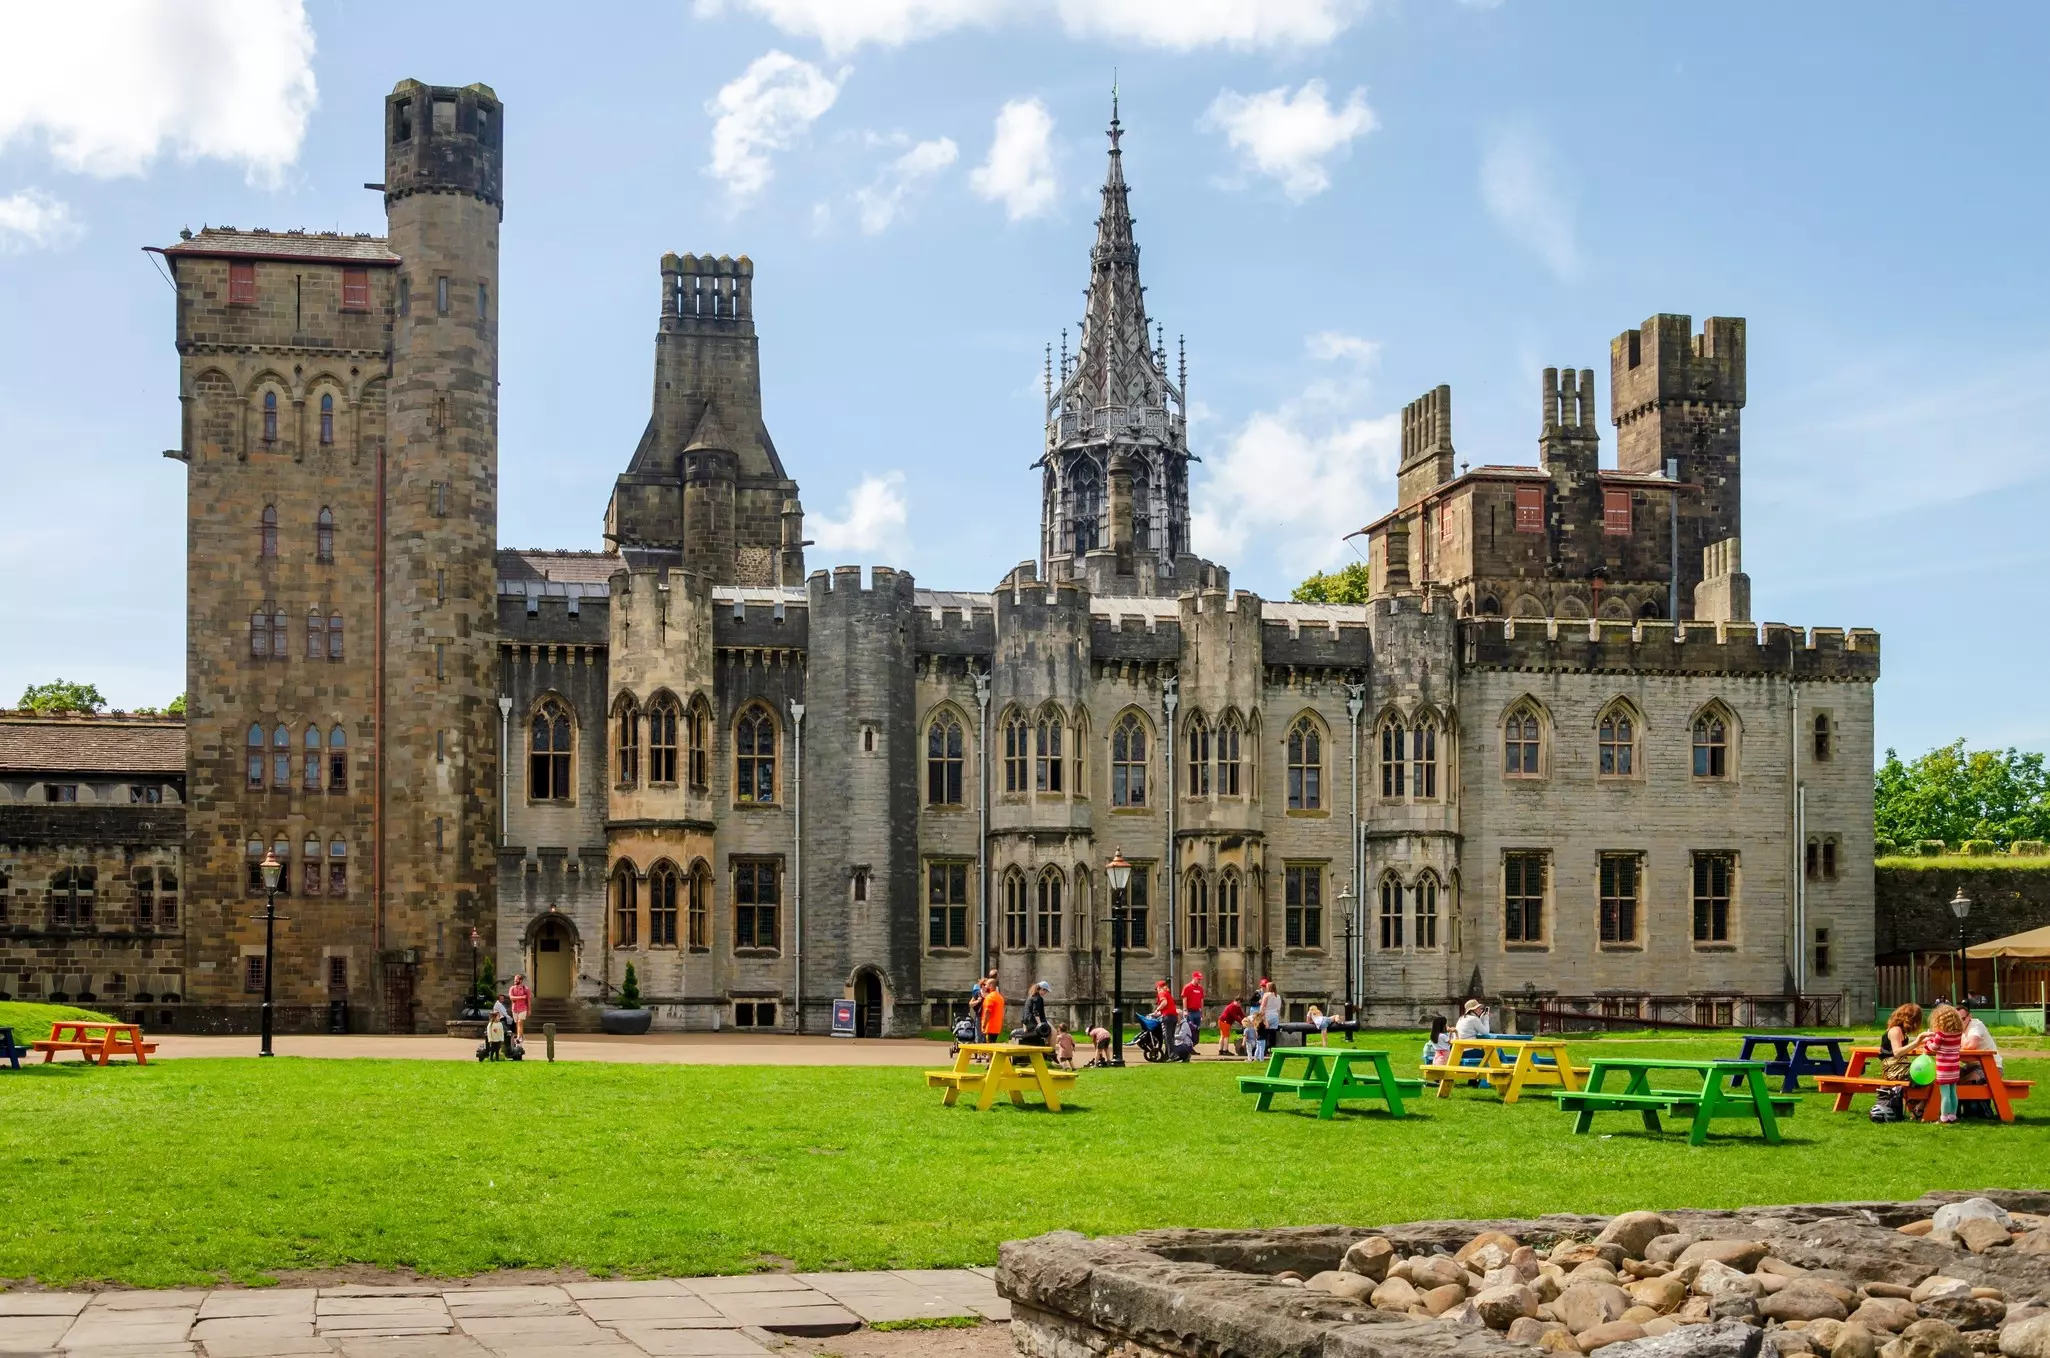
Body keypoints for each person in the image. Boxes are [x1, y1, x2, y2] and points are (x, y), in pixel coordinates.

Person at [1873, 1002, 1922, 1123]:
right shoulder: (1896, 1030)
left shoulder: (1900, 1030)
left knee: (1927, 1078)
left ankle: (1918, 1109)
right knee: (1932, 1079)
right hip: (1894, 1069)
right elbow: (1897, 1052)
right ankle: (1919, 1110)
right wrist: (1917, 1041)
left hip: (1897, 1068)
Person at [1922, 1005, 1966, 1124]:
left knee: (1944, 1094)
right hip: (1954, 1067)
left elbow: (1933, 1048)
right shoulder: (1958, 1034)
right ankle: (1952, 1115)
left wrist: (1927, 1042)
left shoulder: (1940, 1035)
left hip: (1943, 1068)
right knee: (1953, 1093)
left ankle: (1943, 1117)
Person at [1020, 981, 1053, 1046]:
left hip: (1028, 1022)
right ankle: (1051, 1050)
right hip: (1033, 1022)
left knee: (1049, 1030)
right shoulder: (1038, 998)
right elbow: (1036, 1012)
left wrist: (1024, 1025)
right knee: (1053, 1032)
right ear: (1041, 989)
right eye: (1045, 991)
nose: (1046, 993)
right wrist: (1040, 1024)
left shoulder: (1030, 996)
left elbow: (1025, 1012)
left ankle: (1047, 1046)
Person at [1256, 979, 1282, 1060]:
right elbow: (1278, 1008)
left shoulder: (1266, 995)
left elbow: (1263, 1008)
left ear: (1269, 988)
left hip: (1267, 1015)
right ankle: (1272, 1052)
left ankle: (1263, 1052)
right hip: (1275, 1016)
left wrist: (1262, 1018)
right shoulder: (1278, 996)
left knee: (1263, 1034)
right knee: (1272, 1035)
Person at [980, 979, 1007, 1045]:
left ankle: (990, 1056)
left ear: (991, 985)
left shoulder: (990, 997)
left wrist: (984, 1025)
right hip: (997, 1027)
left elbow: (988, 1012)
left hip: (989, 1027)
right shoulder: (1000, 997)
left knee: (989, 1046)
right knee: (993, 1044)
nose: (985, 986)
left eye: (986, 985)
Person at [1181, 971, 1206, 1039]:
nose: (1199, 980)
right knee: (1190, 1028)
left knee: (1197, 1029)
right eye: (1198, 979)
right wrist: (1185, 1010)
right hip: (1189, 1012)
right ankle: (1189, 1045)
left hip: (1197, 1011)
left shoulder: (1200, 988)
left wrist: (1202, 1012)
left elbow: (1201, 1000)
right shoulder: (1187, 987)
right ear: (1194, 978)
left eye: (1200, 979)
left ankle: (1195, 1042)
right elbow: (1184, 999)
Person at [507, 973, 532, 1039]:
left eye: (516, 980)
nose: (515, 981)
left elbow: (528, 1000)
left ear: (520, 980)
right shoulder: (512, 988)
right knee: (517, 1023)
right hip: (514, 1009)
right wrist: (521, 997)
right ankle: (521, 1035)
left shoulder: (526, 989)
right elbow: (511, 998)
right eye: (514, 980)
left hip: (523, 1008)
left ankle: (519, 1038)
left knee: (520, 1022)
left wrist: (529, 1010)